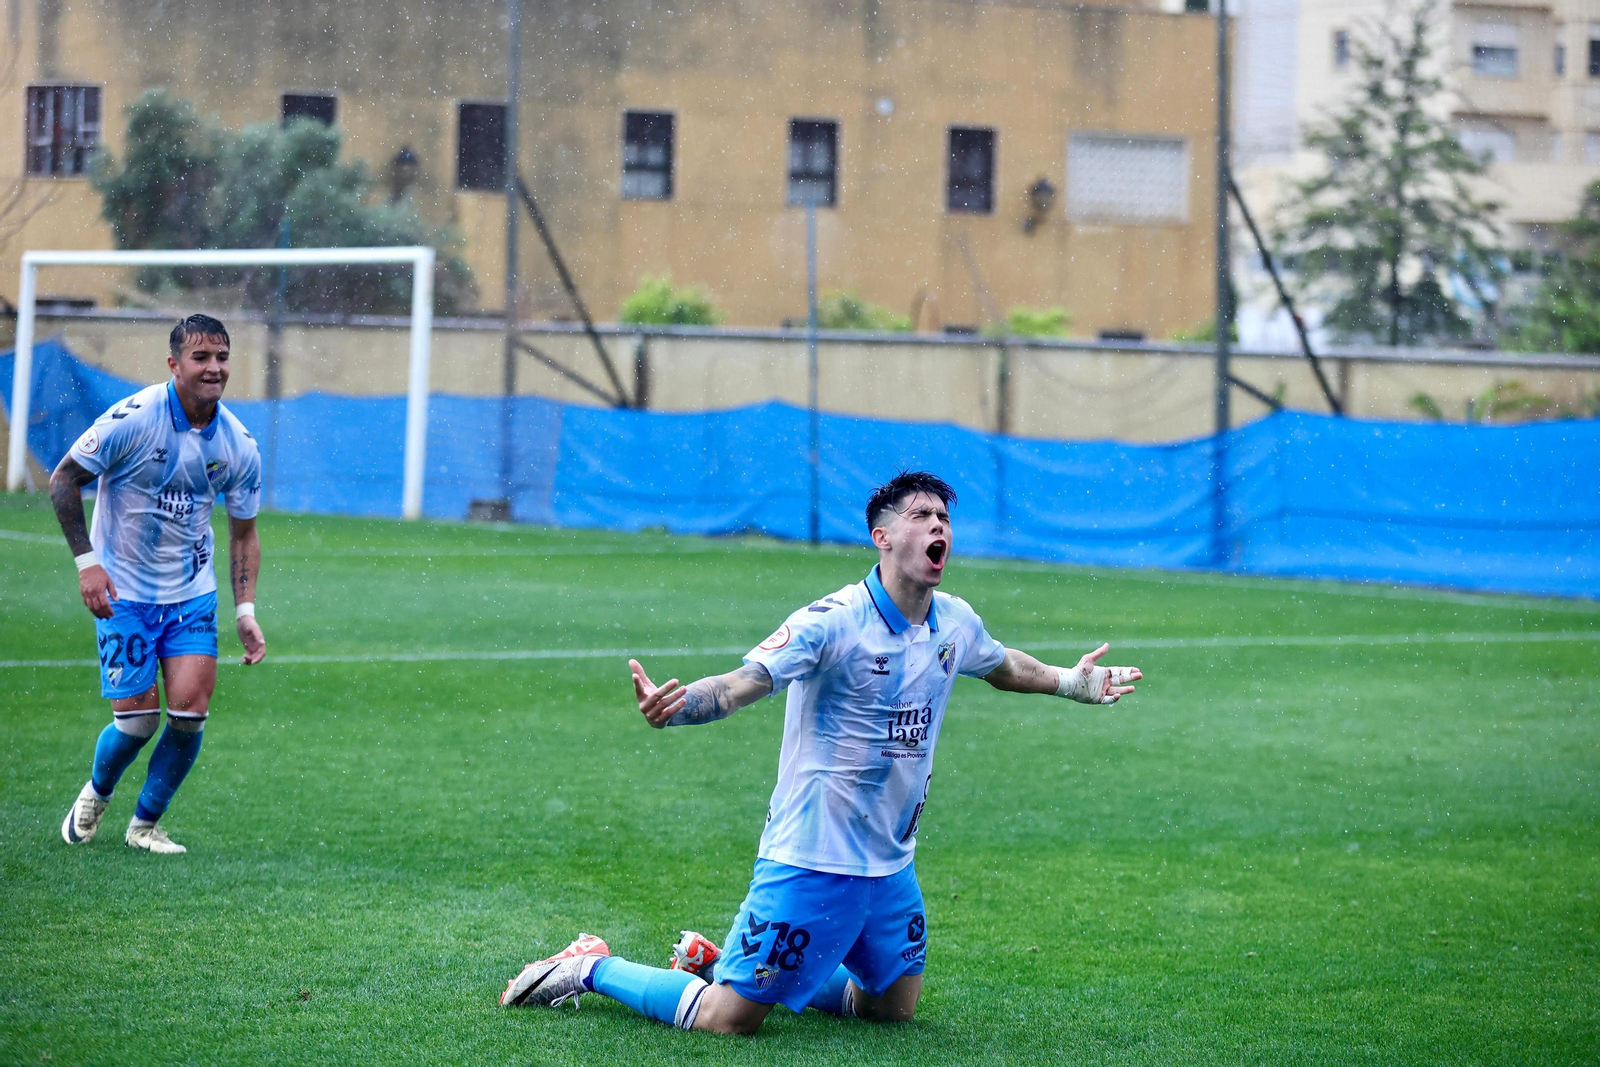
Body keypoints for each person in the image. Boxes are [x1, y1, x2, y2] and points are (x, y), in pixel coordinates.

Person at [500, 470, 1141, 1032]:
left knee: (891, 1009)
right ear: (882, 537)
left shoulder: (955, 621)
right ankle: (589, 965)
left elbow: (1003, 666)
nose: (937, 526)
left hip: (890, 863)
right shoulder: (831, 622)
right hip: (811, 857)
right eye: (920, 515)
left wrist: (1071, 683)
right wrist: (678, 706)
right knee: (730, 1021)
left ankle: (718, 961)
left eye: (944, 517)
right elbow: (739, 684)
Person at [53, 314, 264, 855]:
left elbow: (244, 535)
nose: (213, 368)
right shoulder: (135, 419)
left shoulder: (238, 444)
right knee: (138, 722)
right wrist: (87, 564)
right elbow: (63, 479)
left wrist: (245, 610)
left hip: (191, 593)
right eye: (201, 357)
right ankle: (98, 793)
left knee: (190, 715)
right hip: (123, 592)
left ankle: (145, 825)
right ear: (174, 364)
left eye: (221, 357)